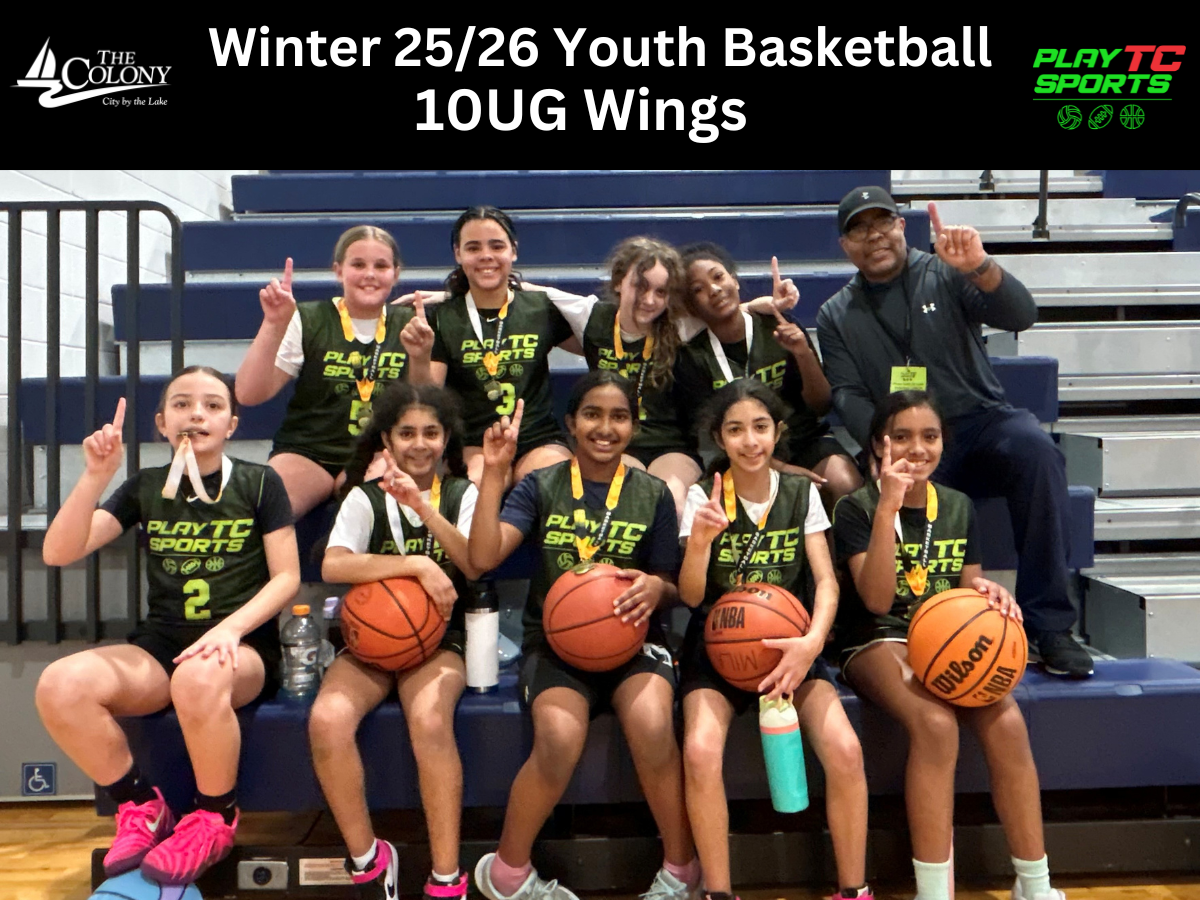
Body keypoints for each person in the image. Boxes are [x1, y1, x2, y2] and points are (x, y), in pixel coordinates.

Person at [35, 367, 299, 885]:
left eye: (212, 405)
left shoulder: (260, 481)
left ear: (231, 424)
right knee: (58, 686)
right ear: (160, 423)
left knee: (199, 676)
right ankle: (139, 805)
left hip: (241, 648)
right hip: (161, 645)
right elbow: (58, 551)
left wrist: (229, 630)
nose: (196, 413)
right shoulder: (145, 486)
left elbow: (287, 577)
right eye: (181, 404)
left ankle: (215, 816)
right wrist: (95, 476)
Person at [815, 186, 1092, 678]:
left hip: (977, 421)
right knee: (859, 490)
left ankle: (1050, 626)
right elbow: (846, 393)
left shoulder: (946, 269)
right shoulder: (835, 313)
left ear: (903, 226)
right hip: (902, 438)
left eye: (883, 221)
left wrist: (979, 267)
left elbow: (1020, 315)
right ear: (845, 244)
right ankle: (869, 627)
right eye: (858, 227)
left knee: (1036, 450)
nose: (873, 235)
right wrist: (881, 443)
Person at [467, 372, 699, 900]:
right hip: (557, 646)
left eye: (619, 417)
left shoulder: (654, 494)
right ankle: (507, 873)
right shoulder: (541, 485)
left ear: (634, 428)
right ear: (571, 423)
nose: (605, 427)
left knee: (654, 724)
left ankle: (680, 872)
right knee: (558, 738)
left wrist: (654, 588)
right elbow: (482, 557)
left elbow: (672, 583)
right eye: (592, 414)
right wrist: (496, 473)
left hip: (636, 643)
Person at [831, 390, 1065, 900]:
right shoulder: (855, 508)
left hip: (943, 636)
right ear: (878, 445)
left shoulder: (956, 505)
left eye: (930, 436)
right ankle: (934, 891)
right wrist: (888, 506)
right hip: (876, 638)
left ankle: (1035, 885)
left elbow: (967, 588)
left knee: (1006, 722)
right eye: (902, 436)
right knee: (936, 725)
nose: (917, 448)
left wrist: (989, 595)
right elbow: (874, 600)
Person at [678, 380, 871, 900]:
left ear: (777, 432)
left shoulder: (801, 491)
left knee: (846, 750)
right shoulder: (704, 493)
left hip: (792, 645)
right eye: (736, 430)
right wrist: (698, 544)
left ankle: (854, 889)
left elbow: (827, 582)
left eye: (760, 427)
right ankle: (718, 891)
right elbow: (691, 596)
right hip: (717, 646)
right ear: (720, 437)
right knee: (699, 751)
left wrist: (810, 643)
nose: (750, 441)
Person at [309, 382, 481, 900]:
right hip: (369, 641)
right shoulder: (365, 497)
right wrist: (416, 563)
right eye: (407, 432)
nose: (420, 443)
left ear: (446, 439)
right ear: (387, 439)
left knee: (430, 719)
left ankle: (446, 876)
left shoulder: (460, 493)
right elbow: (332, 563)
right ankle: (368, 860)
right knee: (326, 720)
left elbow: (473, 561)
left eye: (431, 432)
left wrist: (425, 511)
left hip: (439, 640)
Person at [236, 225, 414, 517]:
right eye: (358, 264)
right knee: (264, 509)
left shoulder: (412, 322)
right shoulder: (307, 317)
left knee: (374, 507)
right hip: (308, 452)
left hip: (380, 451)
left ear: (396, 273)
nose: (369, 273)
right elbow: (248, 394)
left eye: (380, 265)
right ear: (338, 270)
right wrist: (272, 324)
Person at [402, 206, 580, 486]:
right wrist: (420, 356)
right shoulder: (442, 316)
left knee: (556, 487)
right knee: (471, 489)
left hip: (537, 441)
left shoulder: (540, 308)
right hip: (475, 443)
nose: (486, 255)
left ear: (514, 251)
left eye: (497, 246)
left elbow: (600, 344)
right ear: (458, 254)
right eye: (473, 248)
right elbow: (427, 398)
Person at [677, 242, 862, 511]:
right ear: (691, 307)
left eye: (718, 277)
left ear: (735, 281)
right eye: (698, 289)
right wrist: (780, 468)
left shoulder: (777, 324)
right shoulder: (693, 355)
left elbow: (821, 404)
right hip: (737, 451)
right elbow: (708, 434)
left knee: (843, 483)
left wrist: (803, 354)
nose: (714, 290)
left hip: (801, 439)